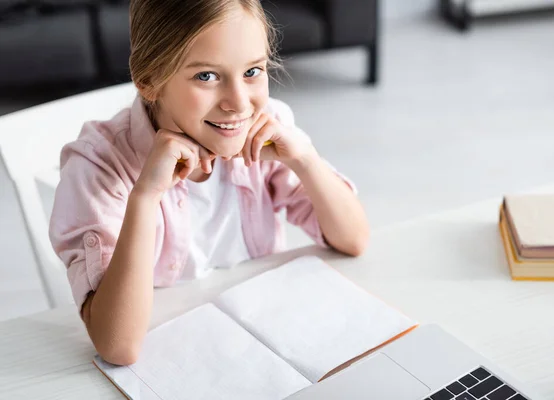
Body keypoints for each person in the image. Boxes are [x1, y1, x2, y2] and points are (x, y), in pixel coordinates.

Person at [49, 0, 369, 366]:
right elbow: (118, 346)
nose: (238, 104)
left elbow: (354, 239)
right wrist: (145, 196)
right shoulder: (98, 164)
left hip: (260, 345)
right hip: (174, 358)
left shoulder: (268, 127)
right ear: (149, 80)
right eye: (207, 76)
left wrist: (305, 159)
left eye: (253, 71)